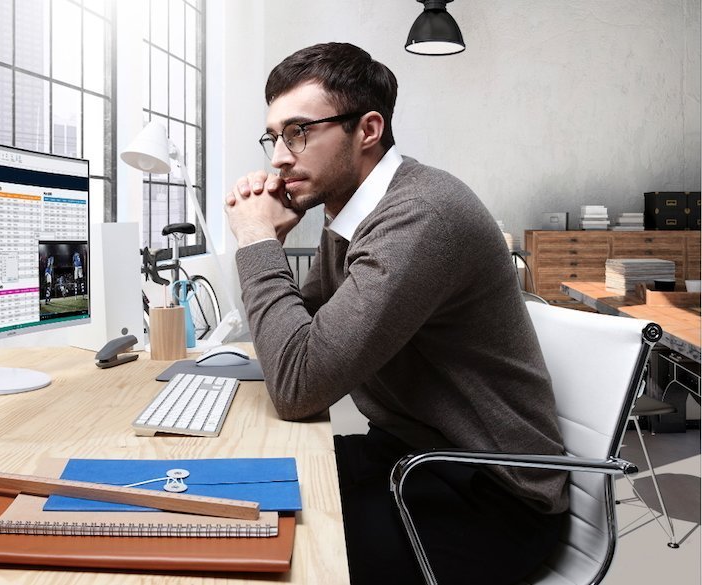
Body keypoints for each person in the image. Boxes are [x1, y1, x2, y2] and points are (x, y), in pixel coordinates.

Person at [223, 43, 568, 585]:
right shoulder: (352, 213)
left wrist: (256, 240)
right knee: (242, 490)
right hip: (409, 457)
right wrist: (271, 240)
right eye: (275, 137)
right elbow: (295, 339)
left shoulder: (418, 217)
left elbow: (297, 386)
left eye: (299, 132)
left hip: (492, 497)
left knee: (269, 550)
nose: (279, 159)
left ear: (368, 129)